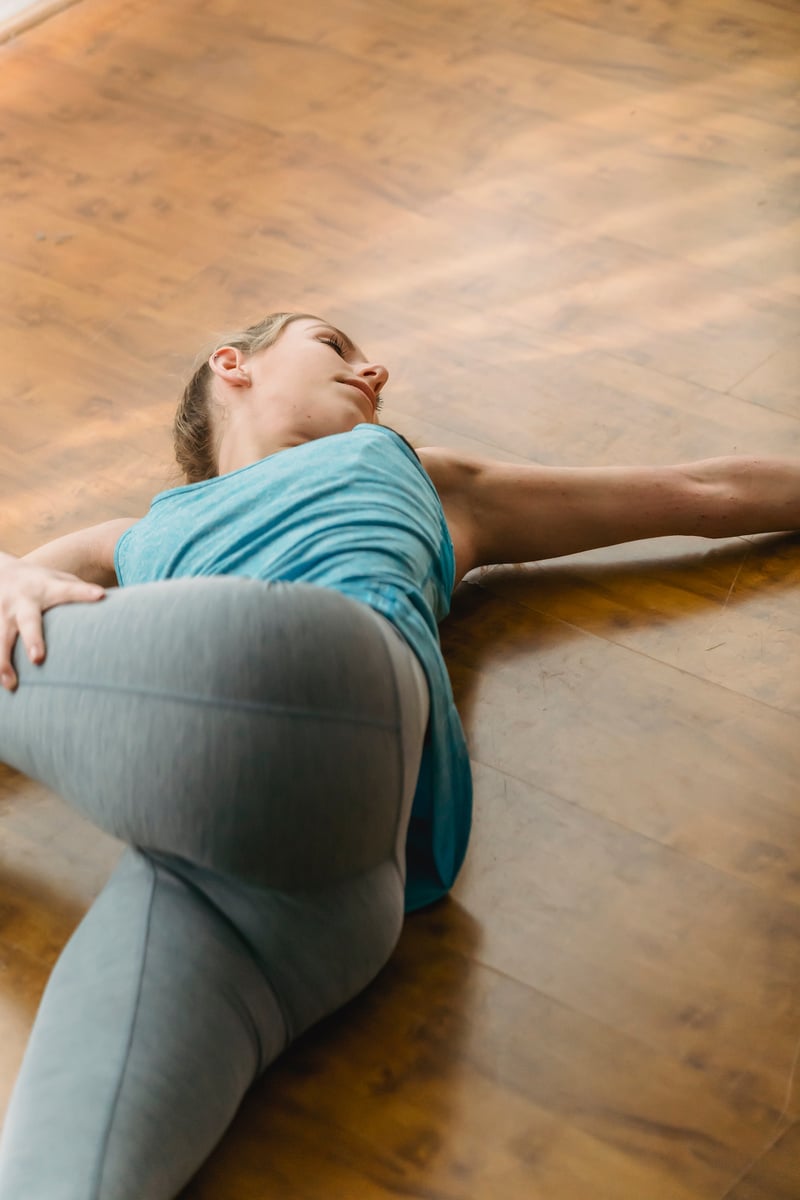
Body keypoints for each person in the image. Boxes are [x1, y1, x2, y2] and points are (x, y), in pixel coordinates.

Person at [0, 311, 797, 1199]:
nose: (374, 371)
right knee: (63, 1173)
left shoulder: (432, 479)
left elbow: (698, 489)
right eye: (333, 344)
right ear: (233, 364)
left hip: (307, 667)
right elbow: (20, 591)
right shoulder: (130, 536)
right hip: (322, 889)